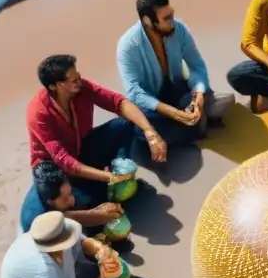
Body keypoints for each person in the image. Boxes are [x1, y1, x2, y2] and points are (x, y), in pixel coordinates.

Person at [27, 54, 167, 206]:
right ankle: (112, 184)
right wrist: (109, 178)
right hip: (58, 168)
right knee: (88, 201)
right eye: (74, 80)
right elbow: (63, 160)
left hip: (82, 146)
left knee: (125, 124)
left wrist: (150, 132)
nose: (79, 80)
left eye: (78, 75)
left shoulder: (82, 88)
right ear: (56, 86)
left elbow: (118, 102)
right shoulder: (38, 113)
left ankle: (120, 171)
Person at [117, 0, 235, 147]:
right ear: (147, 21)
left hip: (178, 90)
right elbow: (134, 91)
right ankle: (195, 124)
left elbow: (197, 66)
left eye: (171, 14)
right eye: (166, 18)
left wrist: (199, 95)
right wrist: (174, 114)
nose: (172, 21)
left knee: (226, 102)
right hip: (153, 104)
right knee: (139, 130)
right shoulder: (128, 46)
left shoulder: (179, 29)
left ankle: (195, 120)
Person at [19, 161, 124, 234]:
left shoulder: (55, 184)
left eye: (69, 193)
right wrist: (105, 215)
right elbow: (71, 217)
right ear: (50, 202)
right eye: (65, 199)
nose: (71, 200)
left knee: (83, 201)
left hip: (55, 209)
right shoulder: (38, 218)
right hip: (39, 233)